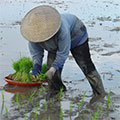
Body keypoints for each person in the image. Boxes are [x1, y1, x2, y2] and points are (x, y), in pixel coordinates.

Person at [20, 5, 105, 96]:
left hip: (77, 36)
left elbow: (63, 53)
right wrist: (36, 66)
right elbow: (36, 54)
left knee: (86, 66)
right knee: (51, 74)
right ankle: (57, 93)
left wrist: (54, 68)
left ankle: (100, 94)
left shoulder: (61, 30)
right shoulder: (33, 35)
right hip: (54, 45)